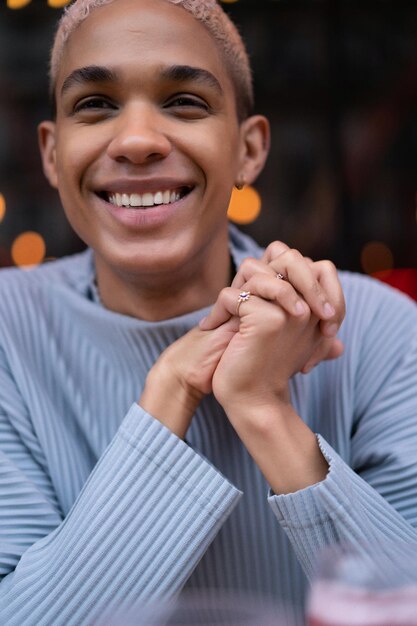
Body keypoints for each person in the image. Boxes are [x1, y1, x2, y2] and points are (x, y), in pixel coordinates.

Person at [0, 0, 416, 624]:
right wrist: (171, 391)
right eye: (96, 105)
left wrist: (261, 407)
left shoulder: (377, 327)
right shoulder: (8, 332)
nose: (138, 141)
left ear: (249, 150)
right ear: (53, 155)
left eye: (184, 102)